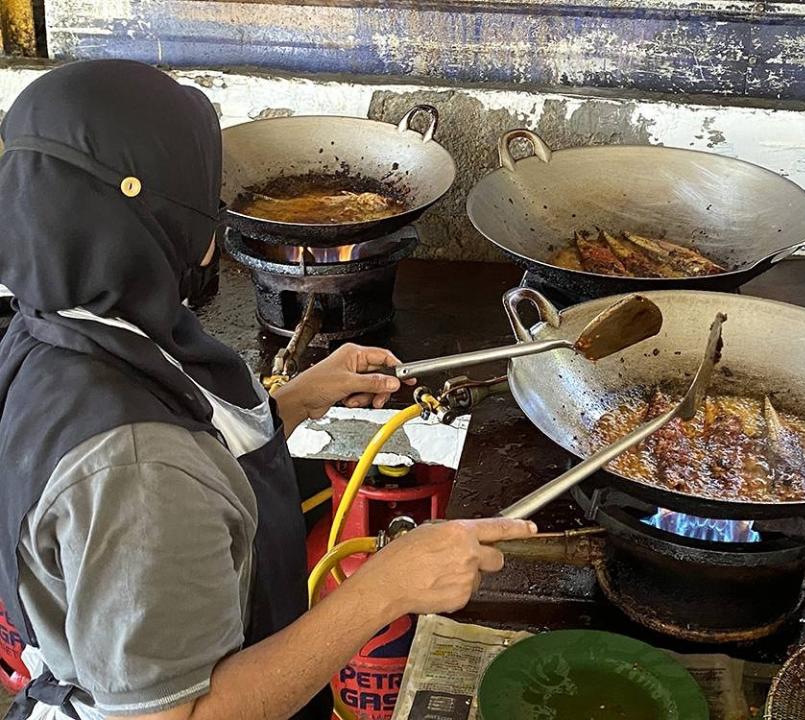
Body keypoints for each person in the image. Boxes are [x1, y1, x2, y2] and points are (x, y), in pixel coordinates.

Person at [0, 60, 536, 720]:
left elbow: (169, 455)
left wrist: (293, 402)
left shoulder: (60, 321)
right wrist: (383, 590)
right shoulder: (139, 469)